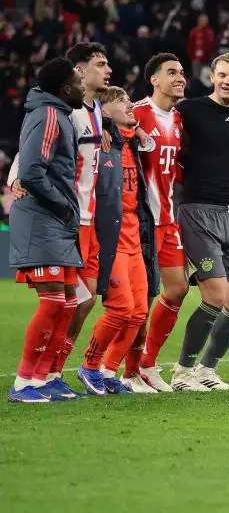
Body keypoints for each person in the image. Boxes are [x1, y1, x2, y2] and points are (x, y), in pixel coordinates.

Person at [171, 53, 229, 391]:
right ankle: (182, 372)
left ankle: (207, 370)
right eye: (222, 75)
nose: (228, 81)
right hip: (197, 211)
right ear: (211, 77)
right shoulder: (190, 111)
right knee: (215, 296)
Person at [7, 58, 86, 403]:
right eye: (78, 83)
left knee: (68, 302)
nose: (82, 88)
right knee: (54, 301)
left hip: (56, 222)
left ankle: (44, 378)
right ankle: (25, 381)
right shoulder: (48, 115)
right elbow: (33, 170)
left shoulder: (60, 115)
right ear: (66, 89)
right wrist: (63, 205)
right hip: (42, 220)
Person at [77, 87, 159, 395]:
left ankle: (109, 371)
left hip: (135, 236)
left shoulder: (134, 143)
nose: (129, 105)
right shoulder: (100, 142)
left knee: (139, 313)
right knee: (121, 308)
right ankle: (89, 365)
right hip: (109, 238)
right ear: (105, 111)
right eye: (121, 101)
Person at [49, 43, 111, 381]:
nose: (108, 70)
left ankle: (55, 371)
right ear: (79, 71)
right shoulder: (66, 111)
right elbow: (39, 145)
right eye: (101, 64)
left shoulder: (96, 109)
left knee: (85, 303)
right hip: (70, 221)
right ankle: (42, 373)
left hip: (91, 223)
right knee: (64, 302)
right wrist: (16, 178)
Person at [133, 53, 187, 392]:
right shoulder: (136, 113)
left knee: (177, 289)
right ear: (154, 79)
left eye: (181, 72)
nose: (180, 77)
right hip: (141, 222)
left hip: (168, 220)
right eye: (171, 72)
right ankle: (127, 369)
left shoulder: (179, 120)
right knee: (141, 299)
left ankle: (147, 363)